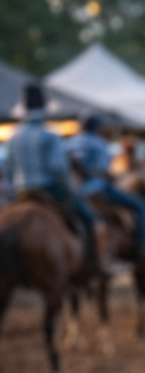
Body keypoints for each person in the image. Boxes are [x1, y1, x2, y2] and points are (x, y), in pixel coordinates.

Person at [5, 83, 102, 267]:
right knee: (89, 218)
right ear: (44, 109)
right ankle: (94, 263)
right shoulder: (49, 135)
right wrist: (68, 192)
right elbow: (57, 169)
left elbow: (9, 170)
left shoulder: (13, 137)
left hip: (22, 193)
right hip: (48, 189)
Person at [70, 114, 145, 255]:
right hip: (98, 189)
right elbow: (104, 172)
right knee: (140, 205)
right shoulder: (99, 143)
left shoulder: (70, 143)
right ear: (96, 128)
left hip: (76, 191)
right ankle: (144, 245)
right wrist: (115, 177)